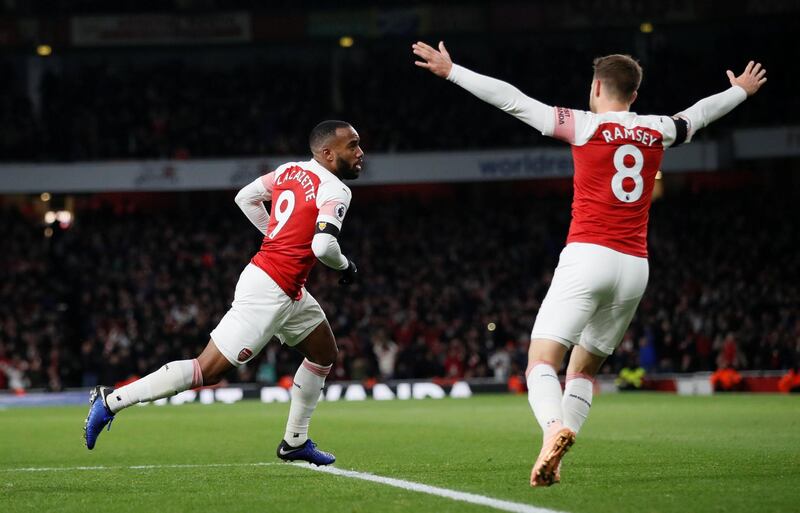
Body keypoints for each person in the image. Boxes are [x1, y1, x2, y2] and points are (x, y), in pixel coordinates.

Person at [412, 41, 766, 486]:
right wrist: (740, 92)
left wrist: (452, 72)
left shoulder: (583, 125)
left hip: (588, 255)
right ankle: (557, 454)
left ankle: (553, 430)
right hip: (635, 266)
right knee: (582, 370)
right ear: (634, 95)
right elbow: (701, 112)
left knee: (541, 362)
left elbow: (512, 99)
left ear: (597, 87)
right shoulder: (658, 129)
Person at [84, 120, 364, 466]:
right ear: (327, 153)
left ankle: (295, 442)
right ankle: (110, 400)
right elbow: (323, 246)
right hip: (269, 290)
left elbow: (244, 197)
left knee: (323, 352)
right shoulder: (336, 190)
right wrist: (346, 266)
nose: (359, 152)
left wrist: (274, 236)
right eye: (352, 145)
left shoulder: (290, 170)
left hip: (286, 287)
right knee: (207, 370)